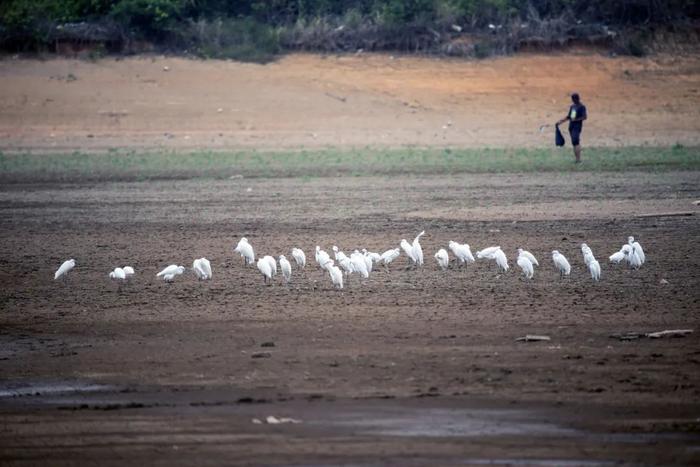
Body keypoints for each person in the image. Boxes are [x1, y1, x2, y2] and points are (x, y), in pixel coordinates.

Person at [557, 93, 587, 163]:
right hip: (571, 126)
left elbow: (584, 117)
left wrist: (576, 120)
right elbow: (569, 116)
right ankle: (577, 159)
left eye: (574, 99)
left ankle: (578, 159)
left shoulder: (582, 107)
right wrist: (561, 121)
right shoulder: (572, 106)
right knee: (574, 142)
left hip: (577, 126)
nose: (573, 100)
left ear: (577, 99)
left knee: (576, 141)